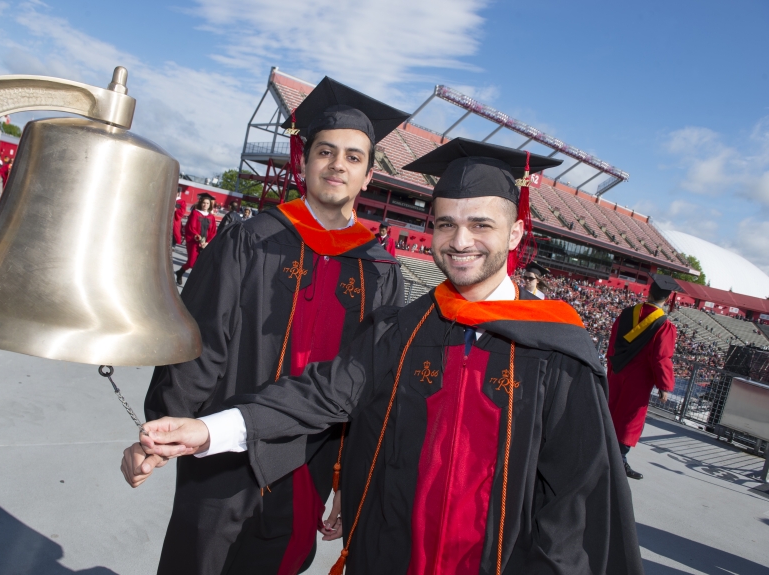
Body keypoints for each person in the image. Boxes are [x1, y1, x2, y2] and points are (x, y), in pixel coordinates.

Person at [128, 139, 643, 575]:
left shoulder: (557, 351)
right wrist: (209, 429)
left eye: (482, 225)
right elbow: (321, 393)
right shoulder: (407, 328)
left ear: (515, 233)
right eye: (446, 224)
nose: (460, 241)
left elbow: (575, 505)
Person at [123, 77, 408, 575]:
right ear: (304, 163)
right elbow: (199, 346)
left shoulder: (380, 272)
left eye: (354, 157)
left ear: (367, 179)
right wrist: (162, 430)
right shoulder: (249, 241)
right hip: (220, 457)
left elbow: (371, 391)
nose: (338, 164)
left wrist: (349, 481)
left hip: (311, 464)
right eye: (326, 151)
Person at [606, 273, 678, 480]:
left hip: (618, 372)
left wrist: (612, 367)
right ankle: (618, 461)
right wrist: (664, 385)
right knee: (629, 418)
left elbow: (612, 342)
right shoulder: (663, 324)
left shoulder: (627, 313)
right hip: (639, 379)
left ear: (649, 292)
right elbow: (661, 357)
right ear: (667, 298)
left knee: (612, 411)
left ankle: (607, 454)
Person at [175, 194, 217, 285]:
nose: (205, 205)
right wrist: (197, 236)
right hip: (194, 242)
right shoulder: (195, 213)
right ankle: (181, 272)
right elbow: (190, 227)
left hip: (205, 243)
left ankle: (192, 281)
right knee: (191, 263)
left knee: (201, 264)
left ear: (210, 205)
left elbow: (213, 232)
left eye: (207, 203)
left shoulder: (211, 217)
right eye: (204, 203)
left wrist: (207, 242)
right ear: (201, 203)